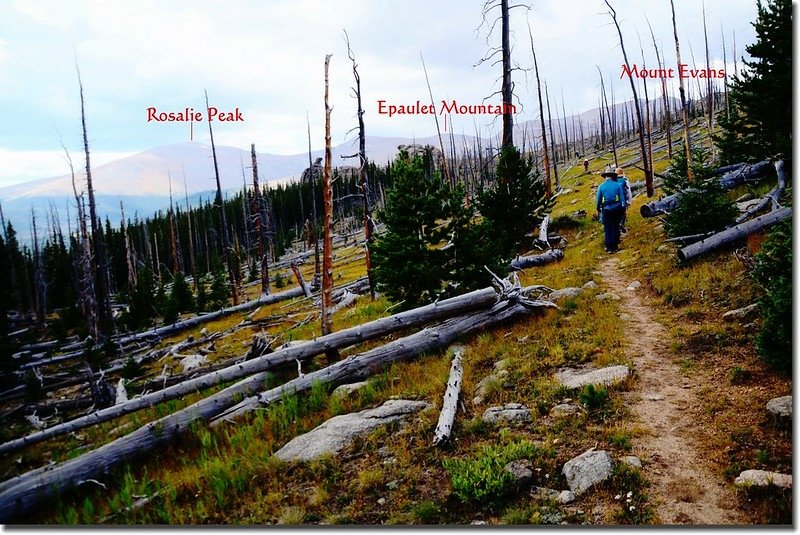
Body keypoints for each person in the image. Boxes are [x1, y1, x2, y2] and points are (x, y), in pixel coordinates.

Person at [596, 167, 626, 253]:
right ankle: (615, 245)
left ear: (605, 176)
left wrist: (598, 208)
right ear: (612, 176)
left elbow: (598, 200)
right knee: (616, 225)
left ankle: (609, 247)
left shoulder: (601, 187)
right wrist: (623, 208)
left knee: (607, 227)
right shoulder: (617, 185)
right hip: (617, 207)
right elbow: (622, 198)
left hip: (606, 209)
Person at [615, 167, 632, 233]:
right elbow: (628, 192)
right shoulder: (625, 180)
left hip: (615, 199)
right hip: (623, 199)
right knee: (623, 212)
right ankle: (622, 224)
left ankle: (617, 226)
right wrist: (629, 201)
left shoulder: (614, 181)